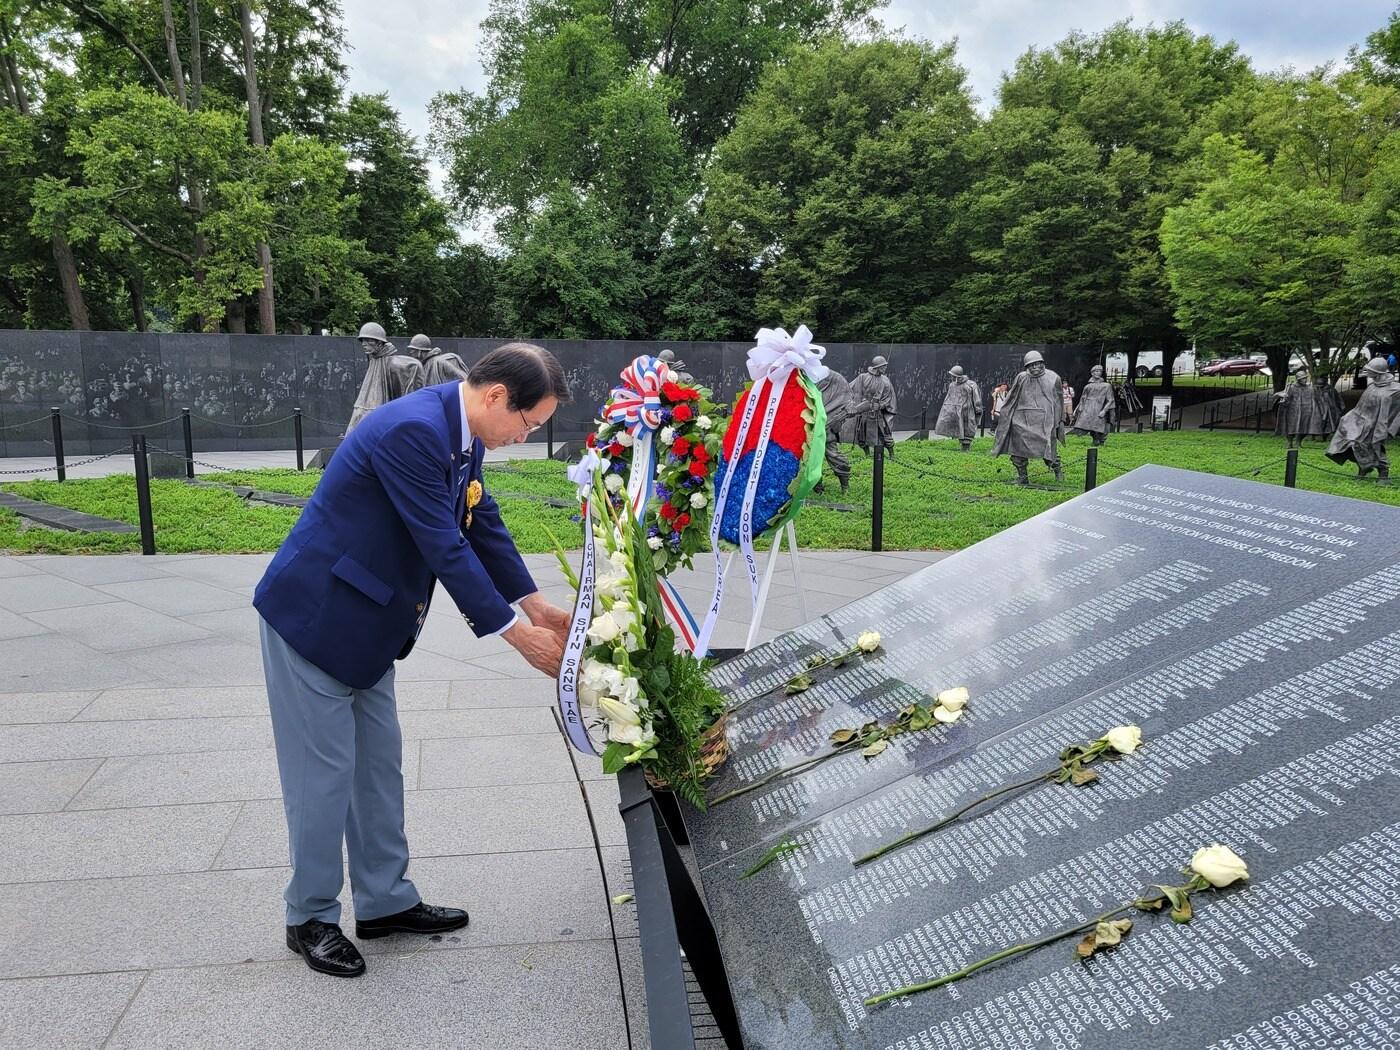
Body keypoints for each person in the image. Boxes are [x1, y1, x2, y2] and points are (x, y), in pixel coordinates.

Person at [253, 342, 574, 978]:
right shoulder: (412, 430)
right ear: (496, 397)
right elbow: (442, 543)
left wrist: (535, 602)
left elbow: (482, 523)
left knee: (377, 769)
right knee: (323, 779)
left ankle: (383, 902)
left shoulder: (461, 432)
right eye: (529, 423)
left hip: (371, 623)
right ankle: (310, 916)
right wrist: (516, 632)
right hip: (317, 618)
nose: (525, 435)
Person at [992, 350, 1065, 484]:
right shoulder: (1021, 377)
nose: (1035, 367)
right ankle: (1023, 477)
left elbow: (1059, 401)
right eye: (1031, 365)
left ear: (1042, 363)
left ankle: (1058, 470)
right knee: (1017, 450)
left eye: (1037, 364)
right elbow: (1012, 396)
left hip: (1043, 420)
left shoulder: (1053, 378)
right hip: (1021, 419)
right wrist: (1006, 414)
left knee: (1046, 449)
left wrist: (1059, 421)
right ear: (1027, 367)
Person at [1327, 356, 1400, 482]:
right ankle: (1364, 467)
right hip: (1361, 422)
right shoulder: (1372, 386)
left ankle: (1383, 473)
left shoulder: (1395, 390)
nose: (1367, 372)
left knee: (1375, 447)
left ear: (1378, 372)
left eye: (1370, 370)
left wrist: (1391, 429)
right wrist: (1349, 418)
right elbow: (1361, 406)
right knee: (1352, 444)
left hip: (1378, 425)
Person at [345, 322, 424, 435]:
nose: (364, 344)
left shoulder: (394, 364)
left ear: (379, 342)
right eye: (362, 340)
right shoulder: (374, 360)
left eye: (368, 340)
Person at [815, 368, 853, 493]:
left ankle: (845, 487)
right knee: (811, 460)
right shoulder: (806, 378)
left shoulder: (834, 377)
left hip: (826, 425)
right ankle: (817, 488)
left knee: (833, 455)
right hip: (809, 426)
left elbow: (847, 399)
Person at [850, 355, 897, 456]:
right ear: (877, 367)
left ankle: (891, 454)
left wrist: (880, 405)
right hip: (864, 412)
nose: (885, 368)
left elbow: (889, 397)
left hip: (878, 413)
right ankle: (867, 454)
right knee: (862, 435)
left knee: (885, 434)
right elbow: (851, 388)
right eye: (883, 366)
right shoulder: (863, 377)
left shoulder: (885, 380)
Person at [1273, 364, 1329, 449]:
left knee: (1305, 427)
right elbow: (1282, 395)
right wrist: (1279, 394)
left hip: (1306, 410)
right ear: (1298, 379)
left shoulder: (1309, 388)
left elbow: (1316, 398)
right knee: (1290, 427)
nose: (1305, 379)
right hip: (1293, 410)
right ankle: (1289, 442)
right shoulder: (1291, 387)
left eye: (1306, 378)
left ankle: (1298, 442)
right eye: (1303, 378)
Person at [934, 365, 982, 451]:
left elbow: (977, 398)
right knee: (959, 429)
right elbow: (948, 397)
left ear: (957, 376)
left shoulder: (970, 385)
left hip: (967, 411)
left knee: (967, 429)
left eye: (953, 376)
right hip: (955, 411)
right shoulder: (952, 385)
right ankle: (962, 445)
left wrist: (978, 408)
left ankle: (965, 448)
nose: (951, 377)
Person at [1070, 365, 1116, 446]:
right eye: (1096, 371)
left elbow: (1110, 400)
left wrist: (1104, 411)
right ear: (1092, 373)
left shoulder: (1106, 386)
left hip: (1100, 409)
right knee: (1090, 426)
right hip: (1089, 409)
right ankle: (1095, 439)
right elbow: (1083, 398)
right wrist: (1079, 409)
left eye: (1100, 371)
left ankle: (1101, 440)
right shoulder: (1088, 386)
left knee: (1101, 427)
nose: (1098, 373)